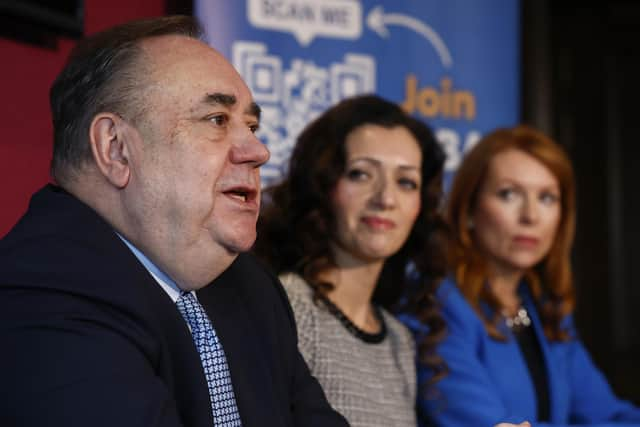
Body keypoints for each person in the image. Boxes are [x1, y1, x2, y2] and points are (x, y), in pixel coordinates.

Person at [0, 16, 348, 427]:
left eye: (252, 126)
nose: (258, 150)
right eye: (217, 120)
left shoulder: (252, 285)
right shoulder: (39, 294)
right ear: (116, 150)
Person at [398, 124, 640, 426]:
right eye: (509, 194)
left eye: (547, 198)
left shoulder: (545, 308)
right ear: (469, 210)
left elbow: (610, 416)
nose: (531, 216)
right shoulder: (434, 303)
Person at [253, 94, 450, 426]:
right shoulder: (288, 307)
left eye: (406, 182)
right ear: (322, 185)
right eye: (361, 174)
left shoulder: (399, 339)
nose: (385, 198)